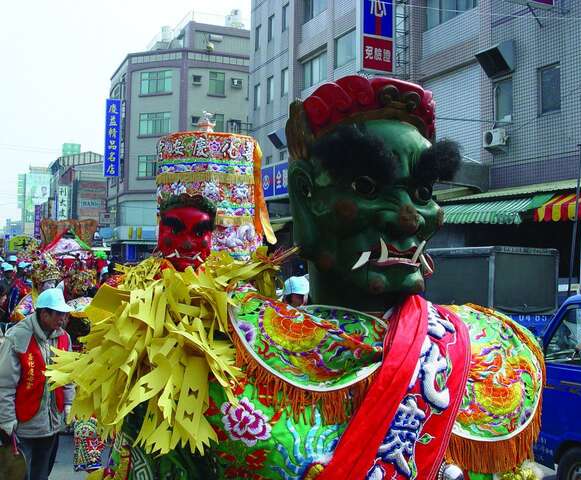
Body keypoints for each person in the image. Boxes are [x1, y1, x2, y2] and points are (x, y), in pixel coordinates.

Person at [48, 81, 543, 480]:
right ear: (305, 199)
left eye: (422, 191)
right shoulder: (200, 355)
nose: (410, 219)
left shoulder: (493, 355)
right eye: (368, 188)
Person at [0, 287, 74, 480]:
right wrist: (6, 419)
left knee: (42, 474)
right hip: (24, 424)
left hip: (52, 423)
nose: (62, 319)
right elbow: (4, 383)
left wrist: (68, 404)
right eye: (58, 314)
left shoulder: (64, 337)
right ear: (44, 314)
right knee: (19, 474)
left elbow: (67, 375)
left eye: (64, 314)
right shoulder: (17, 337)